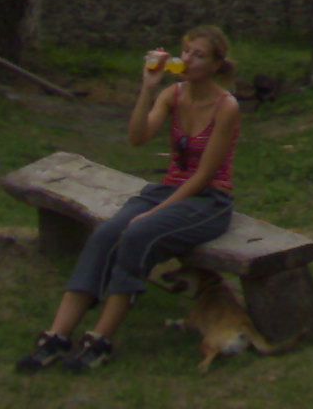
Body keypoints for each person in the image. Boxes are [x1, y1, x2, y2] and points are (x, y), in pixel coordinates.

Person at [16, 25, 241, 374]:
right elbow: (137, 138)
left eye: (199, 55)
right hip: (169, 190)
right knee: (106, 233)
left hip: (208, 200)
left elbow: (203, 176)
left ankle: (100, 341)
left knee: (138, 234)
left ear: (215, 65)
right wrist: (147, 89)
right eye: (186, 52)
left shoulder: (226, 107)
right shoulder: (173, 94)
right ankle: (57, 336)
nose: (188, 59)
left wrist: (155, 214)